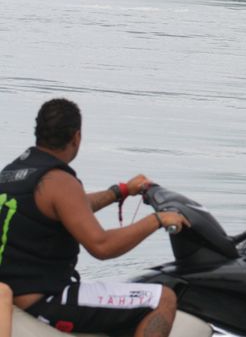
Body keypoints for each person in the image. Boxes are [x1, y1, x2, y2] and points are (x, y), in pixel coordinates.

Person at [0, 98, 190, 337]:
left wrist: (119, 192)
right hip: (46, 300)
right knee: (162, 298)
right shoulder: (59, 180)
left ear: (38, 132)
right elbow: (102, 246)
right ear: (76, 137)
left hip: (16, 293)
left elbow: (69, 209)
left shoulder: (12, 173)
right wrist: (157, 220)